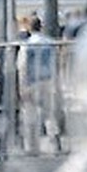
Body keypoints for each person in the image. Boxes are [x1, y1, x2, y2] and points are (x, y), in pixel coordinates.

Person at [18, 17, 61, 153]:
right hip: (48, 81)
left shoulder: (27, 45)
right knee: (50, 114)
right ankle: (55, 143)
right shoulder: (50, 43)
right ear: (41, 27)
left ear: (30, 28)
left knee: (31, 115)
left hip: (32, 82)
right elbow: (56, 62)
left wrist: (22, 85)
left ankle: (33, 147)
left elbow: (22, 66)